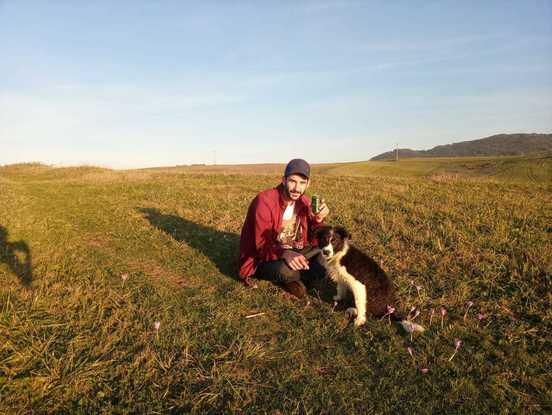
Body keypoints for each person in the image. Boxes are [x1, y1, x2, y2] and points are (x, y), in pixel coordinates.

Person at [238, 158, 330, 297]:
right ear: (284, 180)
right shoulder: (264, 201)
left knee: (326, 250)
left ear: (308, 184)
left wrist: (319, 219)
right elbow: (261, 247)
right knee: (285, 270)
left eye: (302, 183)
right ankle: (297, 278)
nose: (297, 188)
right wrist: (286, 254)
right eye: (292, 181)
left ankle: (300, 276)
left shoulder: (304, 202)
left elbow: (314, 239)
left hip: (294, 249)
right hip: (264, 258)